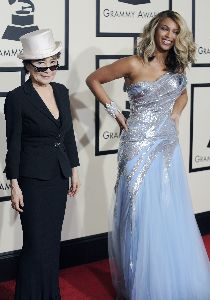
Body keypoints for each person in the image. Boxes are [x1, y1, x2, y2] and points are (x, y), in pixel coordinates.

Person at [86, 10, 210, 300]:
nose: (169, 35)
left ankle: (164, 276)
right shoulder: (133, 63)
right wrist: (115, 112)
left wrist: (176, 114)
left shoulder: (177, 69)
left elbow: (182, 93)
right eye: (165, 29)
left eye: (175, 31)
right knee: (137, 212)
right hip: (137, 145)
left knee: (166, 211)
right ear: (154, 30)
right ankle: (138, 281)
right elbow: (94, 79)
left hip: (166, 146)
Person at [4, 29, 80, 299]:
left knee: (50, 244)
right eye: (41, 65)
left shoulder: (61, 91)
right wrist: (14, 184)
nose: (48, 70)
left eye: (53, 64)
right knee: (36, 245)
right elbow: (13, 144)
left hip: (58, 177)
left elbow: (67, 133)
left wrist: (74, 169)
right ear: (27, 66)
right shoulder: (16, 98)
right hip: (33, 181)